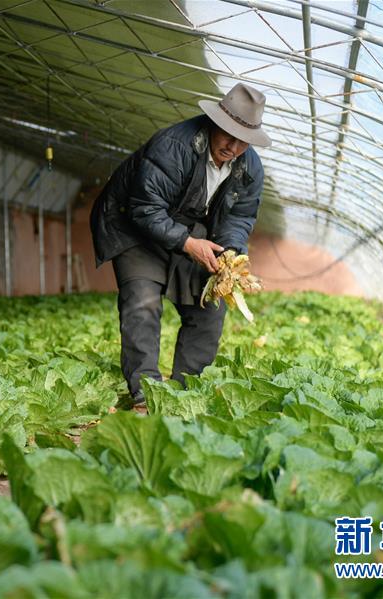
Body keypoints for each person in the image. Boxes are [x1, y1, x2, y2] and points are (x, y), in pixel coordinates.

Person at [90, 83, 272, 405]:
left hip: (193, 233)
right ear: (214, 123)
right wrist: (189, 244)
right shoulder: (173, 145)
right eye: (228, 134)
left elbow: (240, 217)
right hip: (137, 229)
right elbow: (144, 209)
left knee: (210, 308)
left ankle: (185, 394)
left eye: (243, 140)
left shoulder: (250, 167)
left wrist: (228, 253)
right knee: (141, 302)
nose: (234, 146)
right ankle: (146, 396)